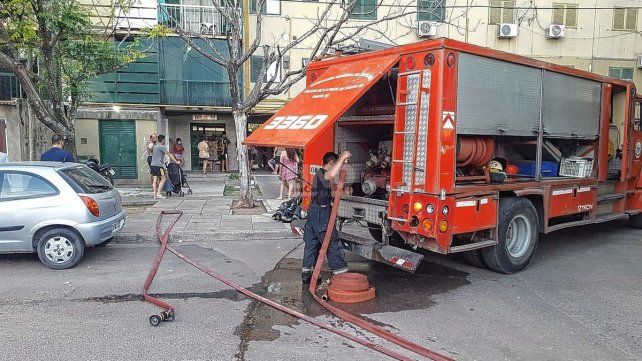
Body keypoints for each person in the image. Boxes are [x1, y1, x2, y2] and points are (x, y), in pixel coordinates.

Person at [301, 151, 351, 284]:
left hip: (315, 212)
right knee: (331, 242)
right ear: (331, 163)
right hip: (320, 213)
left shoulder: (320, 176)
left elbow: (327, 192)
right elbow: (331, 174)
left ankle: (308, 274)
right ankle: (341, 275)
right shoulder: (323, 174)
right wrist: (343, 157)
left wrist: (341, 192)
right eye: (336, 165)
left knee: (311, 243)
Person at [150, 134, 181, 199]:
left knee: (155, 180)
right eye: (164, 139)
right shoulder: (162, 147)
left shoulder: (155, 146)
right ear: (163, 140)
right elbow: (169, 154)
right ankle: (158, 193)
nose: (165, 141)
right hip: (159, 166)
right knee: (163, 178)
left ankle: (155, 195)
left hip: (153, 165)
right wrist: (176, 161)